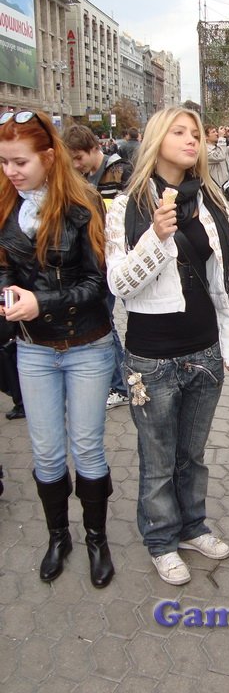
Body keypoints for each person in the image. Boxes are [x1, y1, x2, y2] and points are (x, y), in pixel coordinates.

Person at [106, 107, 229, 586]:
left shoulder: (211, 200)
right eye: (179, 131)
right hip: (151, 356)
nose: (192, 140)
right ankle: (161, 539)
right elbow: (120, 285)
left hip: (204, 349)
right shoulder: (126, 206)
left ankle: (193, 526)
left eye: (196, 133)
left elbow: (228, 279)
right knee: (158, 459)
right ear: (156, 138)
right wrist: (156, 237)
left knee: (193, 454)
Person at [0, 109, 116, 587]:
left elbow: (98, 283)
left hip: (87, 345)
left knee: (86, 448)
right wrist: (7, 295)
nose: (11, 171)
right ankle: (58, 537)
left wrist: (40, 302)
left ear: (49, 157)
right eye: (4, 162)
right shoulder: (7, 205)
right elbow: (5, 268)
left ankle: (96, 540)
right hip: (34, 349)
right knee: (47, 453)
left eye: (20, 162)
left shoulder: (83, 202)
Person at [62, 124, 132, 410]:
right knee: (105, 320)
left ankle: (127, 383)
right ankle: (120, 384)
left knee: (131, 319)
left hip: (123, 259)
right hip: (98, 262)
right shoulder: (81, 178)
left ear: (94, 148)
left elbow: (132, 215)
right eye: (72, 160)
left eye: (79, 158)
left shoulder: (121, 172)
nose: (76, 165)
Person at [204, 123, 229, 195]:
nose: (217, 134)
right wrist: (221, 138)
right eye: (213, 132)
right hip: (214, 189)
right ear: (205, 137)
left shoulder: (221, 148)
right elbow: (220, 156)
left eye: (216, 131)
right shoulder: (204, 150)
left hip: (225, 186)